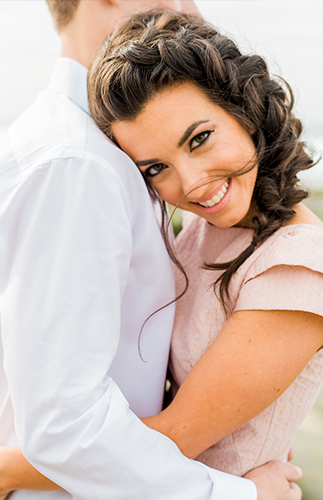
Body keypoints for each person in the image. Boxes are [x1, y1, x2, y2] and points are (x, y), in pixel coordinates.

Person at [0, 1, 303, 499]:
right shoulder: (79, 162)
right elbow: (62, 424)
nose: (194, 8)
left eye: (200, 139)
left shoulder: (104, 148)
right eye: (155, 168)